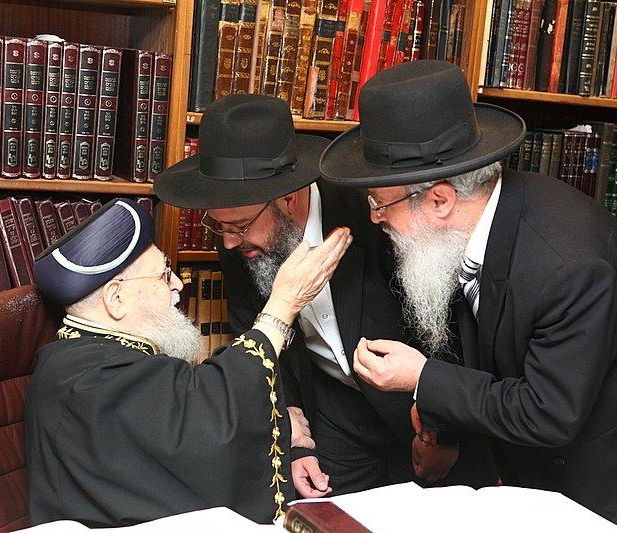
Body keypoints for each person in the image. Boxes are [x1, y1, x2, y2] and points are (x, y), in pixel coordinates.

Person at [320, 59, 617, 532]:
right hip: (544, 468)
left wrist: (421, 378)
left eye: (380, 203)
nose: (375, 218)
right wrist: (442, 425)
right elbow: (489, 350)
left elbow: (548, 412)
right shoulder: (470, 227)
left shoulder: (569, 268)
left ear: (440, 200)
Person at [154, 93, 497, 498]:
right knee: (320, 519)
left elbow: (448, 327)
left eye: (239, 226)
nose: (228, 241)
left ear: (288, 198)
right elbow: (259, 341)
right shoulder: (239, 240)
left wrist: (445, 434)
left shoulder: (380, 214)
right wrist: (293, 437)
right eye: (220, 227)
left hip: (421, 415)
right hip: (332, 412)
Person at [26, 197, 352, 527]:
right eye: (163, 275)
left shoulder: (89, 355)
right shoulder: (89, 377)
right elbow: (202, 436)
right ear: (116, 298)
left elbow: (175, 420)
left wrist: (277, 425)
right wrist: (284, 304)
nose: (178, 285)